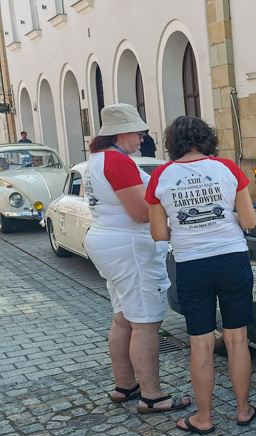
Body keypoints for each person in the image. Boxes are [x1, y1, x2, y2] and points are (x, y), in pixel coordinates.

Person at [146, 116, 256, 433]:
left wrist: (187, 225)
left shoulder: (161, 176)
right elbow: (249, 221)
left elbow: (158, 233)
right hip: (233, 259)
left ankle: (203, 418)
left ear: (173, 143)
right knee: (238, 339)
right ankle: (243, 409)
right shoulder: (227, 168)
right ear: (207, 139)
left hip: (192, 264)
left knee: (201, 344)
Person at [83, 103, 192, 414]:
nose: (143, 137)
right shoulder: (118, 162)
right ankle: (152, 395)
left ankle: (125, 385)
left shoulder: (95, 160)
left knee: (123, 318)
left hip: (108, 241)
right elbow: (141, 212)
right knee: (145, 322)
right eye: (139, 131)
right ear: (122, 132)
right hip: (129, 246)